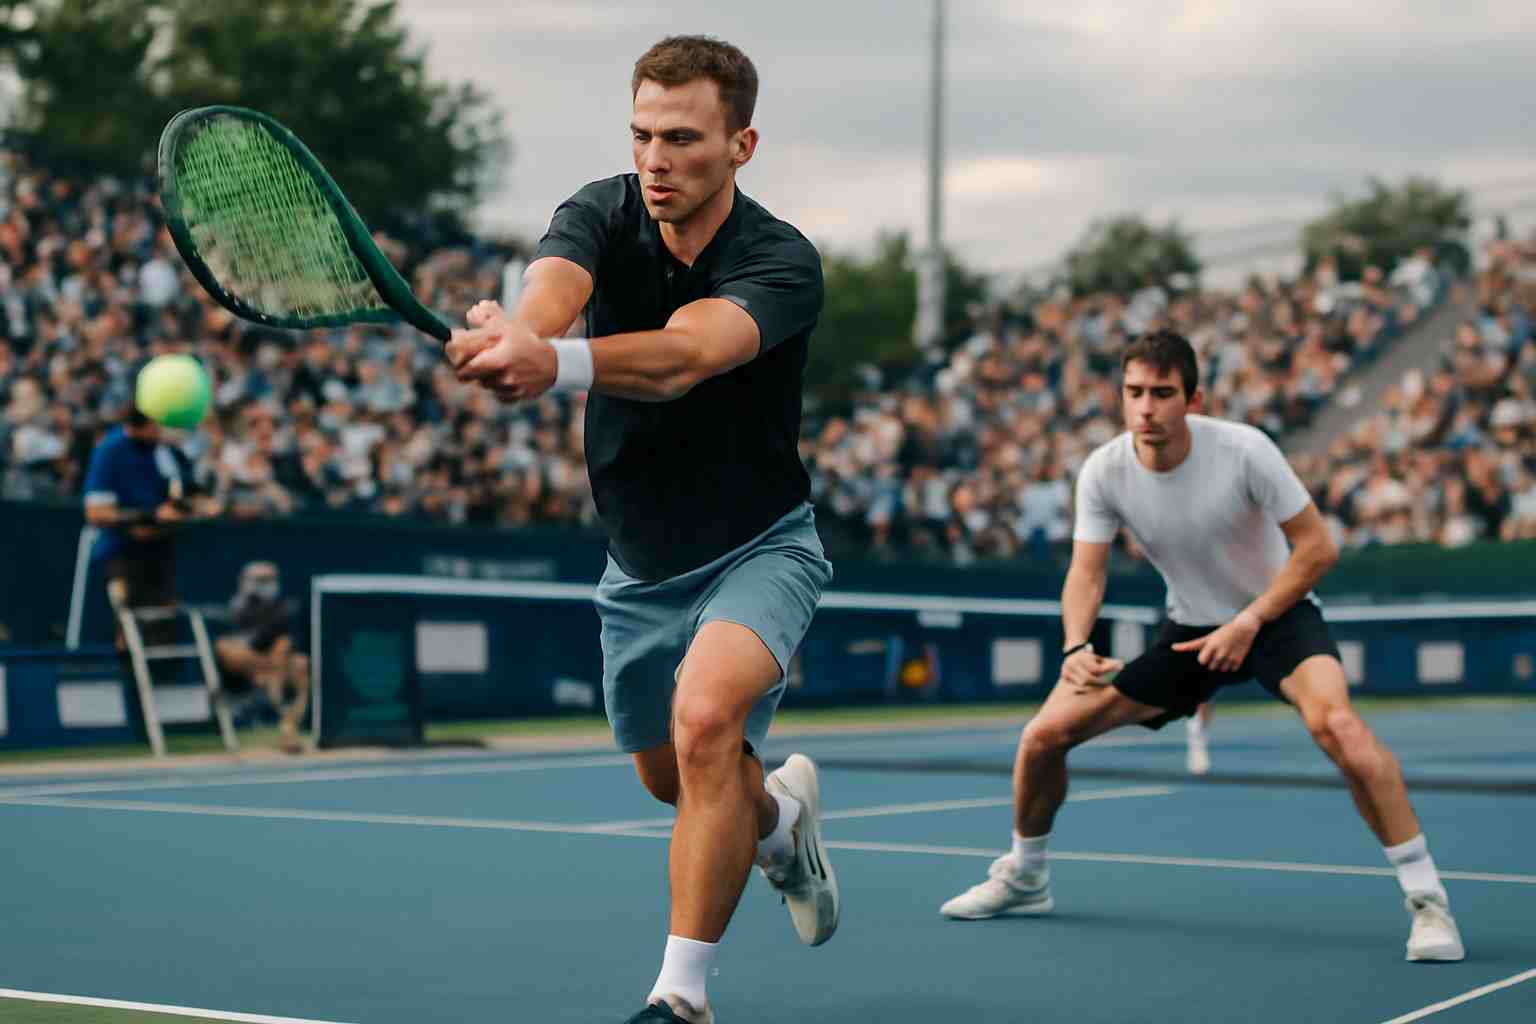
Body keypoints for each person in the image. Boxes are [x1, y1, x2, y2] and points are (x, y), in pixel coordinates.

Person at [444, 35, 836, 1023]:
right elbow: (555, 287)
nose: (657, 158)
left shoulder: (781, 261)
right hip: (640, 557)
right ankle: (782, 817)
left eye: (684, 139)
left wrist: (557, 364)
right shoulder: (602, 209)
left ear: (742, 145)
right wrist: (527, 333)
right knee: (675, 777)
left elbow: (684, 355)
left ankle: (681, 996)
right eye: (643, 134)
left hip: (761, 542)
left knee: (708, 723)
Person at [940, 329, 1465, 963]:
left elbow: (1319, 548)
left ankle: (1428, 903)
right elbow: (1086, 572)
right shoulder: (1105, 470)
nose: (1145, 408)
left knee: (1343, 730)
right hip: (1189, 631)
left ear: (1193, 398)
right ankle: (1026, 876)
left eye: (1162, 393)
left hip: (1278, 617)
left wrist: (1249, 621)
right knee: (1042, 737)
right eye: (1134, 392)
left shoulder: (1245, 450)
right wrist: (1076, 643)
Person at [83, 404, 215, 662]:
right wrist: (150, 515)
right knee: (126, 631)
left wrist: (195, 505)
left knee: (163, 630)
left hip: (161, 554)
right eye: (154, 427)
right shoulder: (110, 452)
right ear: (135, 427)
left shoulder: (167, 450)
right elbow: (96, 513)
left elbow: (190, 493)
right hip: (121, 553)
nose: (160, 432)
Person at [213, 560, 309, 754]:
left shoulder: (283, 608)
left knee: (300, 663)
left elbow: (284, 644)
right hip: (242, 671)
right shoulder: (236, 607)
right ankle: (268, 681)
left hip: (277, 669)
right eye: (261, 579)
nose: (267, 583)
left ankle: (288, 730)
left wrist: (274, 666)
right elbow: (229, 647)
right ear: (246, 581)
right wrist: (264, 668)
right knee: (226, 647)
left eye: (270, 579)